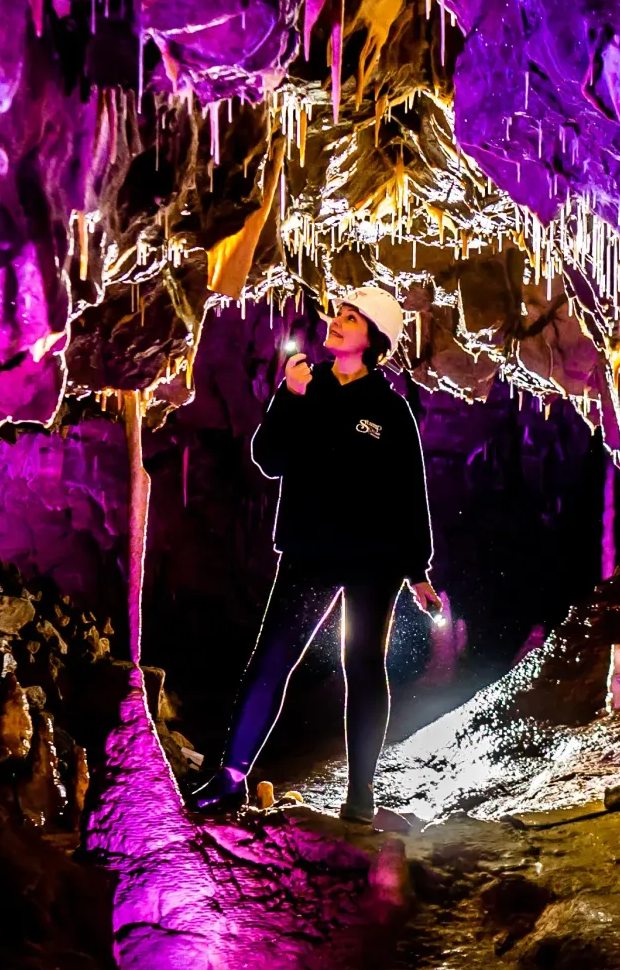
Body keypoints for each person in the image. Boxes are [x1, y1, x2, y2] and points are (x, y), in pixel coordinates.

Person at [188, 285, 442, 826]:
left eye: (351, 318)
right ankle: (231, 777)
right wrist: (289, 397)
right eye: (339, 313)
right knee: (272, 658)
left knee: (364, 665)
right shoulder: (308, 386)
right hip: (310, 548)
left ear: (373, 340)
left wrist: (417, 570)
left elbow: (406, 493)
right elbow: (269, 459)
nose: (337, 321)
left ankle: (360, 793)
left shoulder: (391, 411)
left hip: (374, 560)